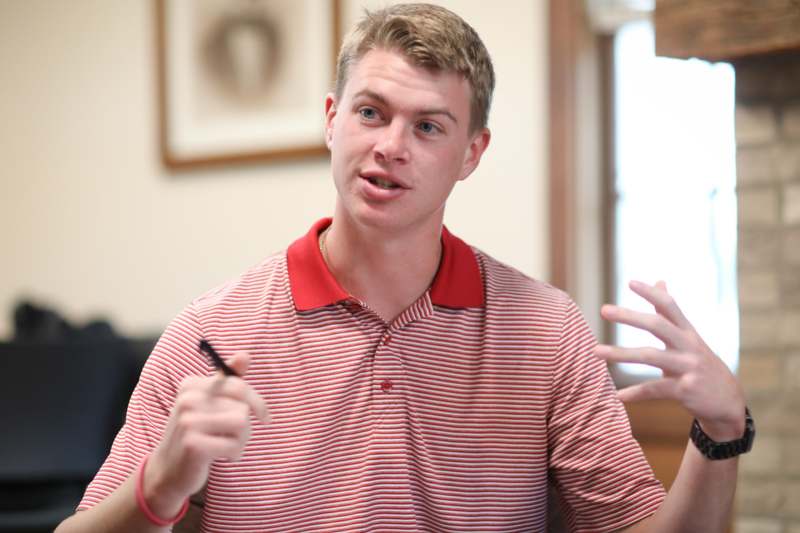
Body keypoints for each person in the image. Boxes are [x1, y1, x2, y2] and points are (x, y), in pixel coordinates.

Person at [56, 3, 752, 532]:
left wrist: (719, 434)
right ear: (332, 121)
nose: (391, 145)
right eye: (370, 112)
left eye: (427, 126)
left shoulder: (546, 331)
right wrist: (163, 481)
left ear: (471, 153)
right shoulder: (212, 333)